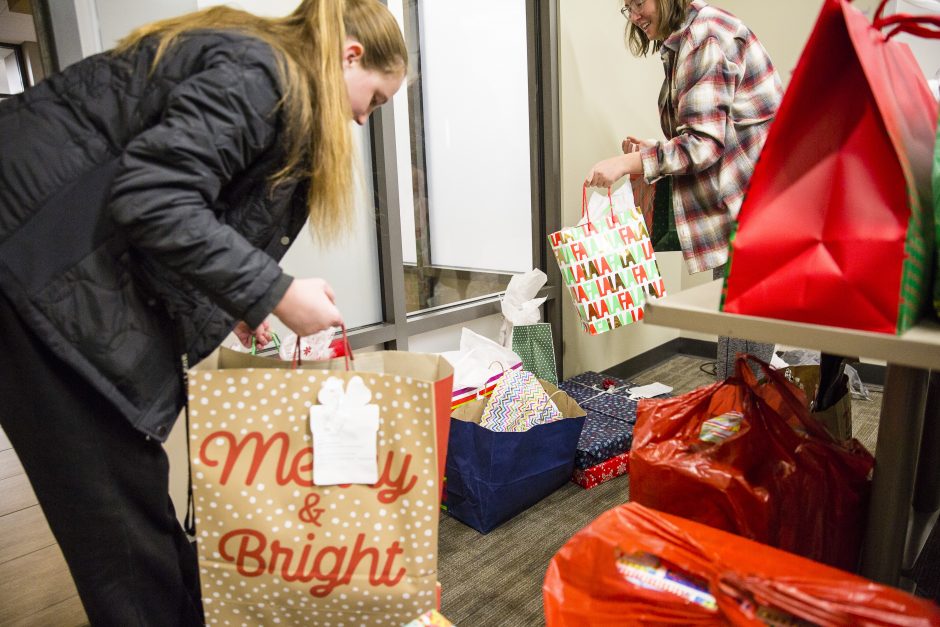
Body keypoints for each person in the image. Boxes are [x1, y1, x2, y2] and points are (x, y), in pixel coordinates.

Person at [0, 0, 406, 623]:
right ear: (350, 55)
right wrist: (273, 289)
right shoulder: (261, 75)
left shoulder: (253, 64)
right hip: (38, 275)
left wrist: (238, 297)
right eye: (374, 98)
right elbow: (153, 197)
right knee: (116, 528)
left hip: (51, 267)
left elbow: (173, 207)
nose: (361, 118)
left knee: (130, 499)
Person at [585, 0, 783, 379]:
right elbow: (715, 128)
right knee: (742, 347)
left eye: (639, 2)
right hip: (748, 204)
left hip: (754, 207)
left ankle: (742, 427)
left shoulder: (705, 35)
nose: (635, 15)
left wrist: (627, 164)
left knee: (744, 355)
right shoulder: (688, 38)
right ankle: (740, 422)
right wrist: (652, 150)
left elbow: (703, 144)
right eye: (627, 8)